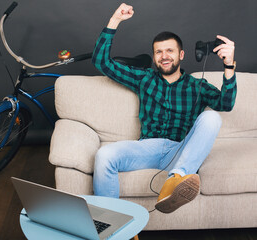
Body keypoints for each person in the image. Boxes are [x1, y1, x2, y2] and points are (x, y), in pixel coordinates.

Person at [92, 3, 237, 213]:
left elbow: (226, 103)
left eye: (170, 50)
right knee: (104, 155)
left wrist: (229, 65)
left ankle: (176, 179)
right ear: (154, 57)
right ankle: (109, 224)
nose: (164, 56)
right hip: (147, 148)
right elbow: (101, 62)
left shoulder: (197, 86)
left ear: (182, 55)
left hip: (181, 151)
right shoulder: (144, 78)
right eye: (158, 52)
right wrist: (115, 20)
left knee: (212, 118)